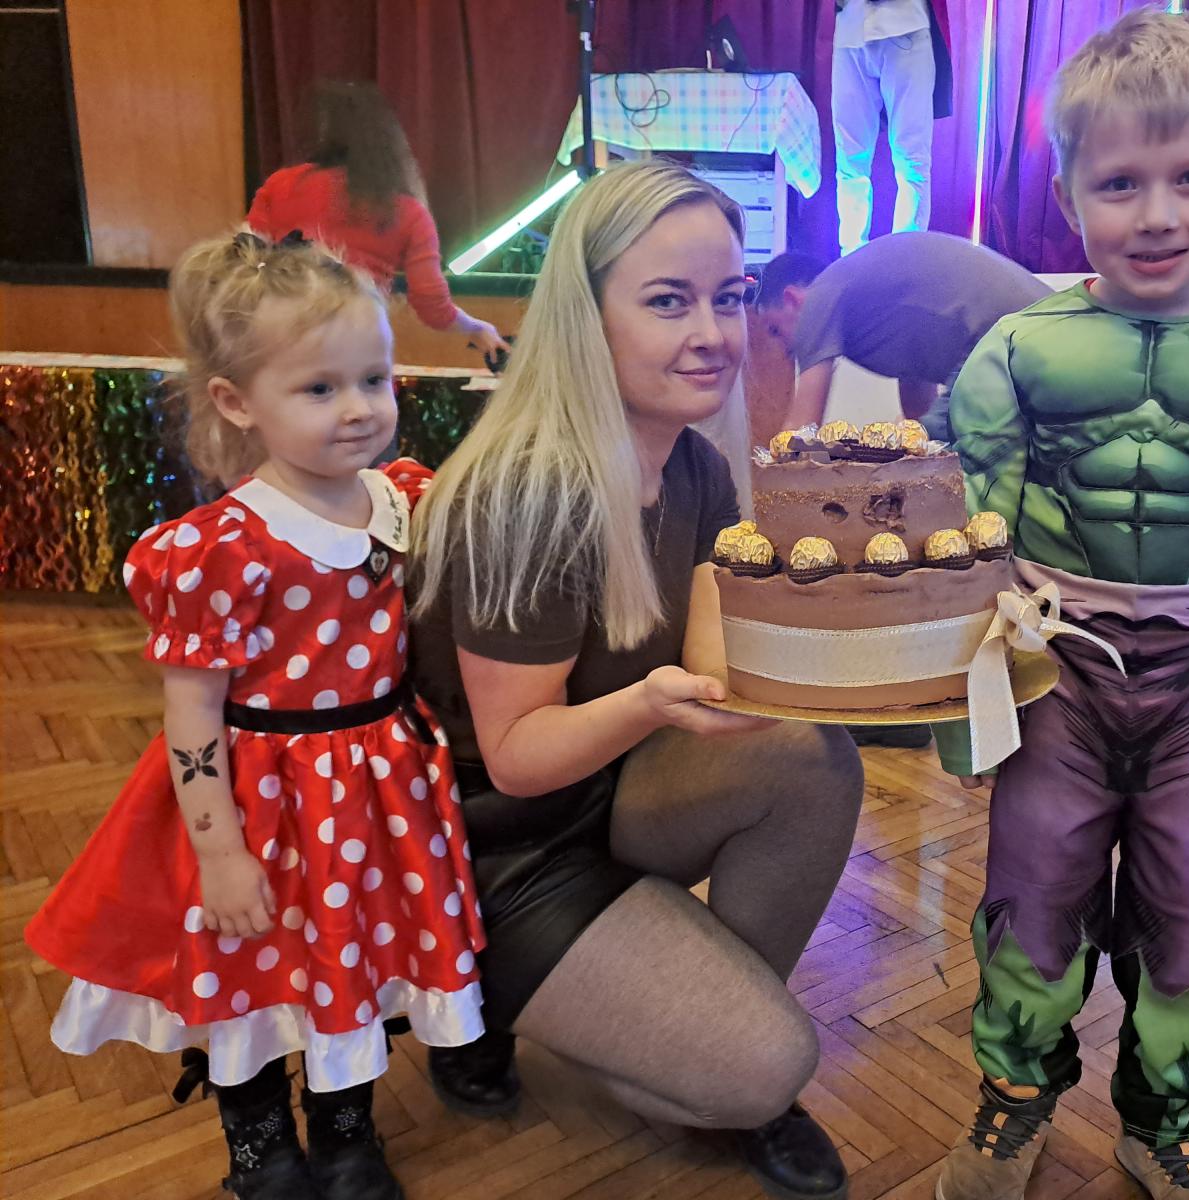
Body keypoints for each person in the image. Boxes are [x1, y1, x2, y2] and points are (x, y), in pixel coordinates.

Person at [931, 11, 1189, 1200]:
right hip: (1053, 672)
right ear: (1067, 193)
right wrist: (960, 721)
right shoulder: (1016, 351)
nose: (1156, 214)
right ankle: (1012, 1102)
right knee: (1031, 896)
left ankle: (1167, 1122)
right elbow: (968, 544)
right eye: (1119, 182)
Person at [407, 161, 864, 1200]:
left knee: (812, 760)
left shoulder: (694, 465)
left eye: (729, 298)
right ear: (586, 317)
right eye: (668, 301)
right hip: (501, 854)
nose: (713, 333)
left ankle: (685, 1028)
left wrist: (849, 647)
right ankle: (486, 1000)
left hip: (609, 792)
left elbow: (714, 667)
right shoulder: (525, 495)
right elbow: (517, 762)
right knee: (768, 1066)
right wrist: (653, 704)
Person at [24, 231, 486, 1200]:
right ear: (238, 402)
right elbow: (192, 714)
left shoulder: (402, 499)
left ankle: (349, 1135)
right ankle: (260, 1150)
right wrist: (220, 851)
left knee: (351, 961)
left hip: (377, 794)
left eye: (374, 379)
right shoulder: (218, 549)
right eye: (320, 389)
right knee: (250, 974)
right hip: (263, 807)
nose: (359, 408)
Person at [249, 80, 510, 359]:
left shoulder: (279, 186)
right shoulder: (407, 210)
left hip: (282, 341)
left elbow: (243, 261)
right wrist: (475, 327)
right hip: (359, 345)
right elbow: (432, 304)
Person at [756, 234, 1051, 442]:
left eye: (775, 330)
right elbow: (915, 393)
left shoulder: (819, 296)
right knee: (930, 452)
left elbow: (801, 433)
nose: (782, 348)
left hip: (1003, 335)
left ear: (792, 299)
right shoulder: (871, 305)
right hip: (1039, 325)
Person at [831, 0, 952, 254]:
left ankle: (905, 258)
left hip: (905, 25)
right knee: (850, 160)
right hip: (850, 30)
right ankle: (852, 257)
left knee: (912, 159)